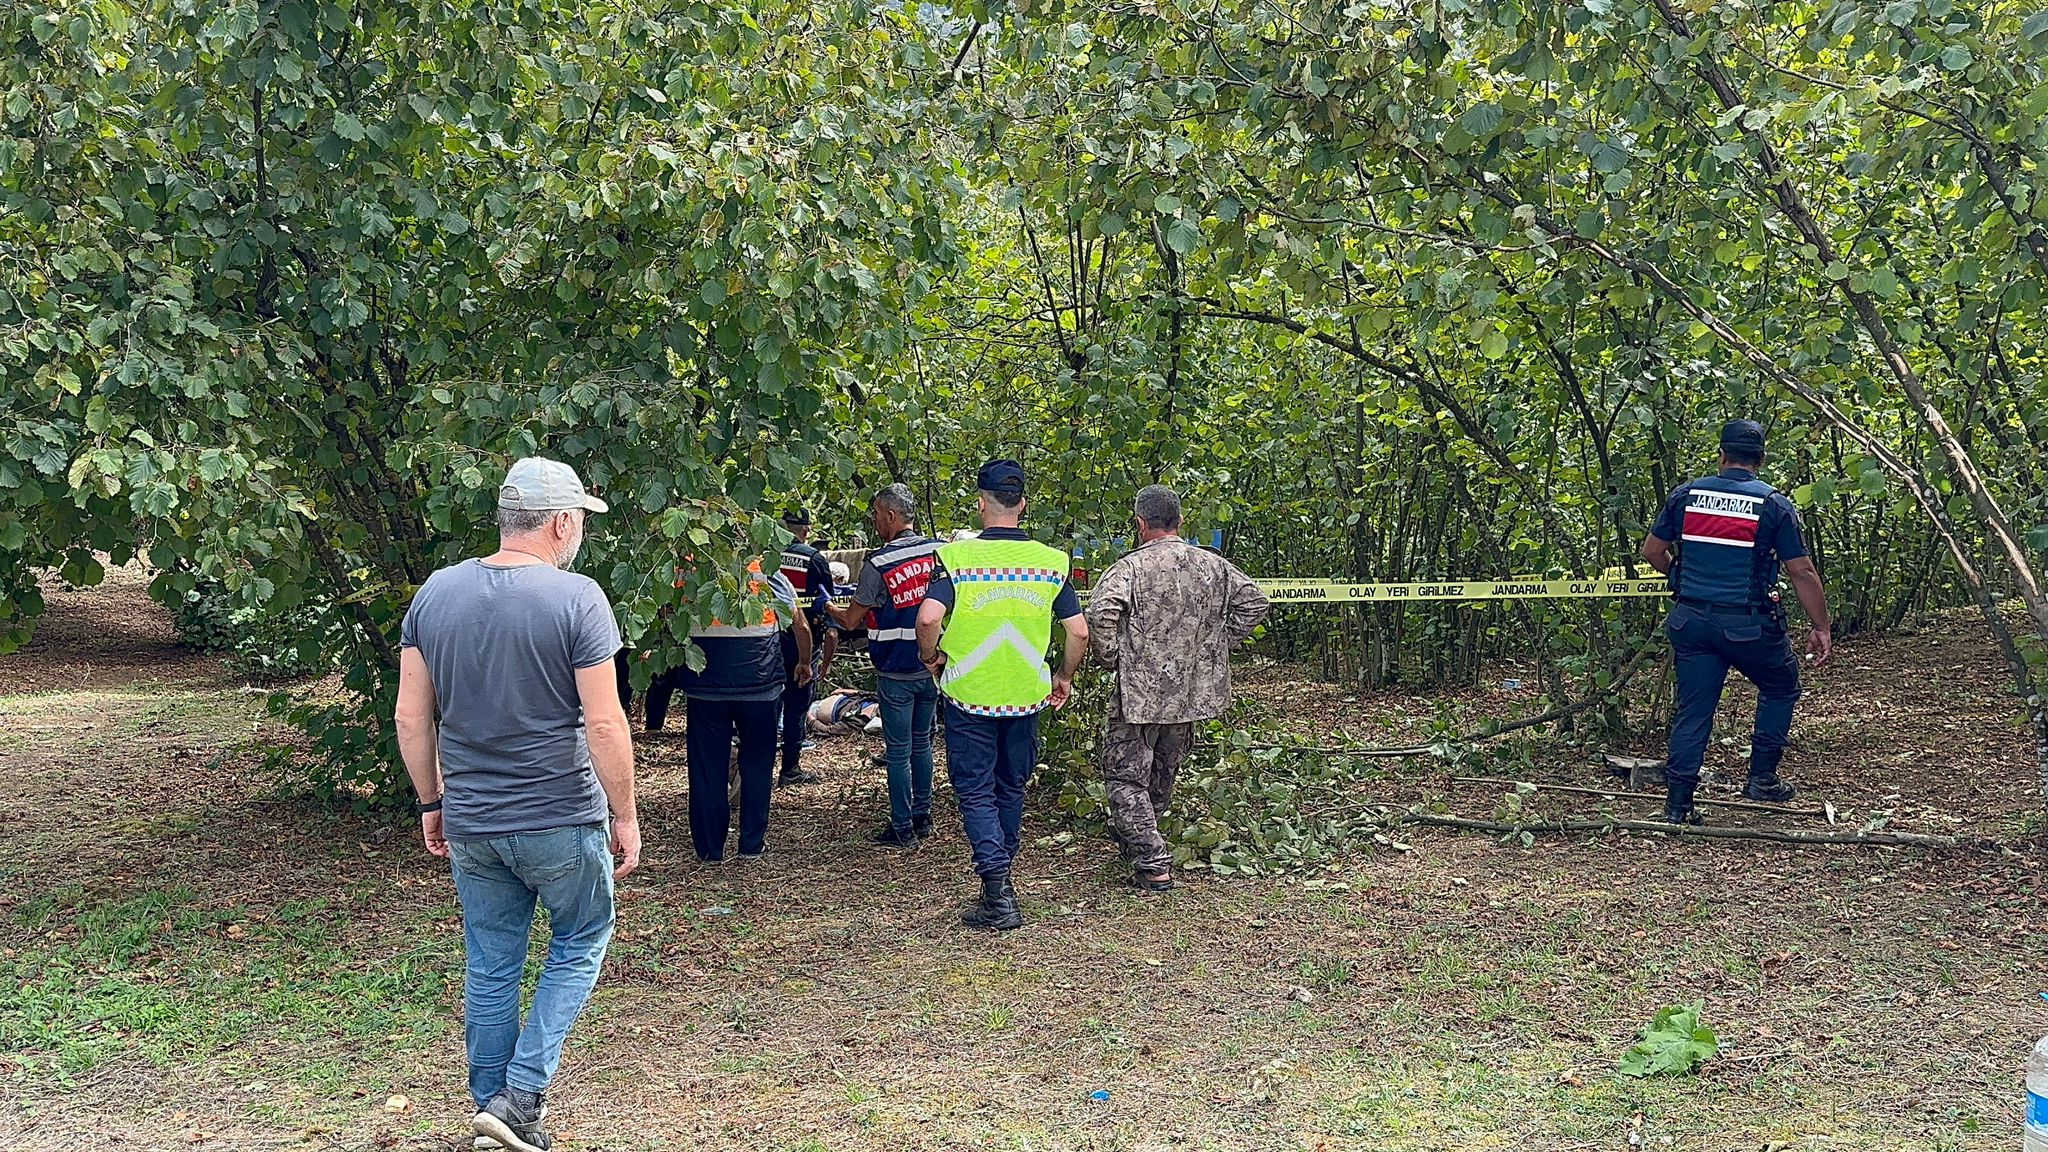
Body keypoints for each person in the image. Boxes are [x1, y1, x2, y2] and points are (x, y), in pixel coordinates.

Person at [394, 457, 640, 1152]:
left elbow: (413, 718)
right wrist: (624, 814)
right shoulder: (577, 598)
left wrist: (430, 802)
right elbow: (604, 722)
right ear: (562, 522)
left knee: (492, 962)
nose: (580, 534)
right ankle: (521, 1098)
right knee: (582, 937)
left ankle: (491, 1110)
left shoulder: (435, 595)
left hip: (473, 818)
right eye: (581, 521)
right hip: (560, 813)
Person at [915, 460, 1088, 930]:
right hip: (1026, 696)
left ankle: (997, 890)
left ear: (980, 504)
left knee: (975, 791)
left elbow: (929, 618)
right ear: (1023, 504)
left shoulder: (957, 558)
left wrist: (931, 658)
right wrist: (1064, 676)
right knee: (1011, 788)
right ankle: (1001, 882)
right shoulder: (1053, 562)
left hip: (969, 695)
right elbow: (1078, 631)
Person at [1641, 419, 1832, 824]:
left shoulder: (1686, 495)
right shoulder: (1773, 505)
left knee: (1694, 709)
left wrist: (1680, 577)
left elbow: (1653, 550)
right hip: (1749, 625)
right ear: (1760, 459)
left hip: (1691, 620)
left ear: (1721, 455)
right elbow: (1801, 572)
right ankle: (1762, 778)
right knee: (1781, 687)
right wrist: (1821, 626)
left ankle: (1678, 805)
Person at [1086, 485, 1269, 892]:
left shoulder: (1130, 568)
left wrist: (1113, 656)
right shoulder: (1212, 565)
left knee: (1125, 776)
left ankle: (1151, 860)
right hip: (1191, 691)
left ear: (1140, 524)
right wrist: (1215, 646)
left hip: (1140, 691)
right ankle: (1141, 843)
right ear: (1180, 521)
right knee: (1163, 772)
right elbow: (1254, 601)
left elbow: (1101, 612)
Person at [672, 554, 811, 862]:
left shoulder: (690, 566)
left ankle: (710, 850)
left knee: (707, 769)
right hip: (760, 686)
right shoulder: (768, 570)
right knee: (758, 766)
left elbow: (671, 614)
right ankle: (751, 844)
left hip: (706, 686)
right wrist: (803, 662)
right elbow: (799, 624)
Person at [828, 483, 942, 849]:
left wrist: (826, 607)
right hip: (934, 666)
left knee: (898, 750)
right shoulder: (940, 553)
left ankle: (902, 827)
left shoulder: (879, 563)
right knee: (923, 743)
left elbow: (850, 621)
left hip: (895, 668)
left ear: (891, 516)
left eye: (877, 514)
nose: (875, 521)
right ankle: (923, 817)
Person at [776, 509, 835, 787]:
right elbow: (827, 604)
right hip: (804, 642)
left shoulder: (768, 557)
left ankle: (758, 765)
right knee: (797, 707)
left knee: (770, 703)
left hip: (771, 640)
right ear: (807, 530)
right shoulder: (814, 559)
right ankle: (790, 768)